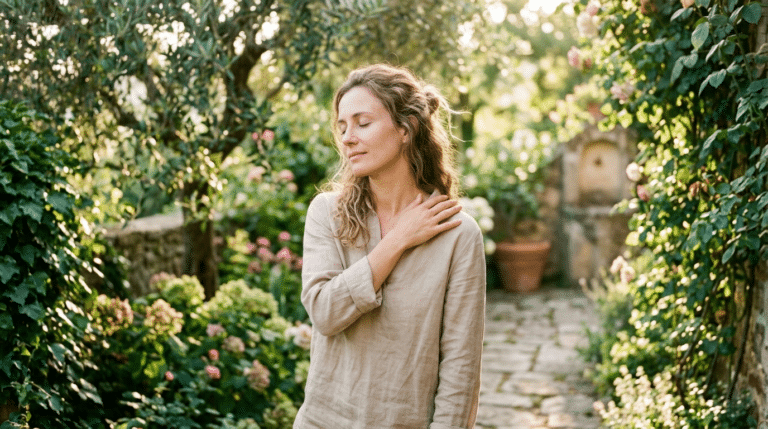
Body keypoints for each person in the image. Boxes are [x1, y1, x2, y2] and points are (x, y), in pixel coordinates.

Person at [294, 64, 486, 429]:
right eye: (342, 126)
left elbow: (461, 372)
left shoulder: (458, 235)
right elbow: (324, 312)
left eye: (362, 123)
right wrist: (398, 239)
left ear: (405, 129)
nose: (348, 137)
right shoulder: (327, 214)